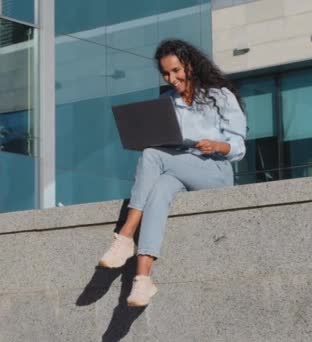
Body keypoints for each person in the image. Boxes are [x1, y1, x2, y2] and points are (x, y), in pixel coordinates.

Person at [98, 39, 247, 307]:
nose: (172, 78)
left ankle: (125, 236)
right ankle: (143, 280)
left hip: (215, 169)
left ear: (190, 65)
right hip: (178, 167)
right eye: (166, 73)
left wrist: (216, 145)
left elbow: (238, 147)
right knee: (160, 188)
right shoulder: (165, 101)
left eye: (176, 70)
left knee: (152, 155)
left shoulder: (219, 96)